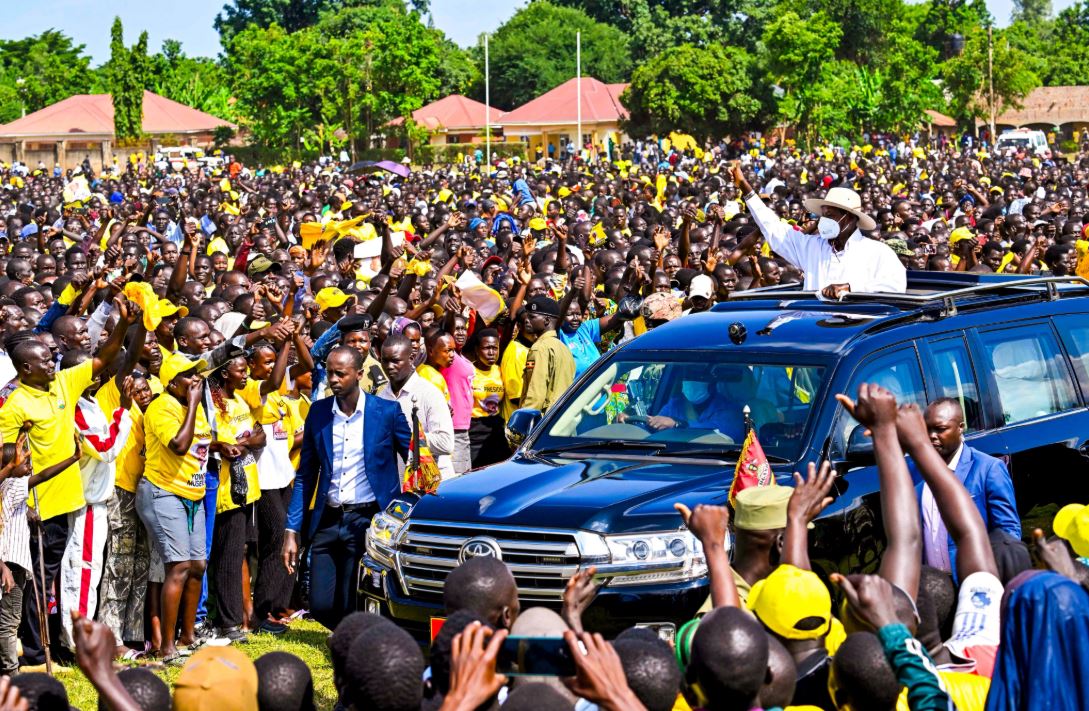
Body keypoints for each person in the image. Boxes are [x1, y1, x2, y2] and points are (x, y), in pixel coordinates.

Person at [283, 346, 412, 630]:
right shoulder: (318, 413)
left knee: (348, 600)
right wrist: (292, 531)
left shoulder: (386, 412)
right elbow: (305, 475)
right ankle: (345, 634)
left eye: (340, 373)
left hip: (366, 519)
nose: (333, 379)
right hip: (327, 519)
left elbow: (413, 457)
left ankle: (350, 643)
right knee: (319, 605)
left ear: (359, 374)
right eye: (329, 372)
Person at [137, 352, 212, 663]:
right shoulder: (161, 407)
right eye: (187, 375)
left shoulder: (189, 405)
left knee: (197, 566)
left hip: (193, 493)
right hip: (163, 491)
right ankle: (167, 649)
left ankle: (187, 636)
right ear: (170, 382)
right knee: (179, 567)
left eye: (197, 374)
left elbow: (200, 443)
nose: (195, 380)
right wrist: (194, 404)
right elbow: (180, 444)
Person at [732, 164, 906, 297]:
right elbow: (772, 226)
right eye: (823, 216)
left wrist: (851, 288)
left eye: (831, 216)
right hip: (816, 334)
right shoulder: (811, 247)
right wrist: (744, 186)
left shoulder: (878, 252)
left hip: (857, 336)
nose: (824, 221)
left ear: (850, 218)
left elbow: (895, 286)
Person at [912, 397, 1020, 574]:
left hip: (973, 583)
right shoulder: (916, 472)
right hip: (932, 588)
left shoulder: (988, 469)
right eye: (927, 429)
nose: (931, 436)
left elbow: (1008, 532)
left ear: (961, 428)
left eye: (940, 429)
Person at [377, 332, 455, 479]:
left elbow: (446, 442)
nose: (389, 367)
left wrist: (405, 437)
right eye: (385, 361)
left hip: (433, 484)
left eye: (395, 361)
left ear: (411, 358)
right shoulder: (381, 398)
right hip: (400, 483)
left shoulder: (429, 393)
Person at [520, 296, 575, 413]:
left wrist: (521, 423)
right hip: (562, 420)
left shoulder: (539, 348)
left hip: (544, 423)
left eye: (532, 317)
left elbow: (535, 395)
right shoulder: (564, 348)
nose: (526, 320)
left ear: (546, 320)